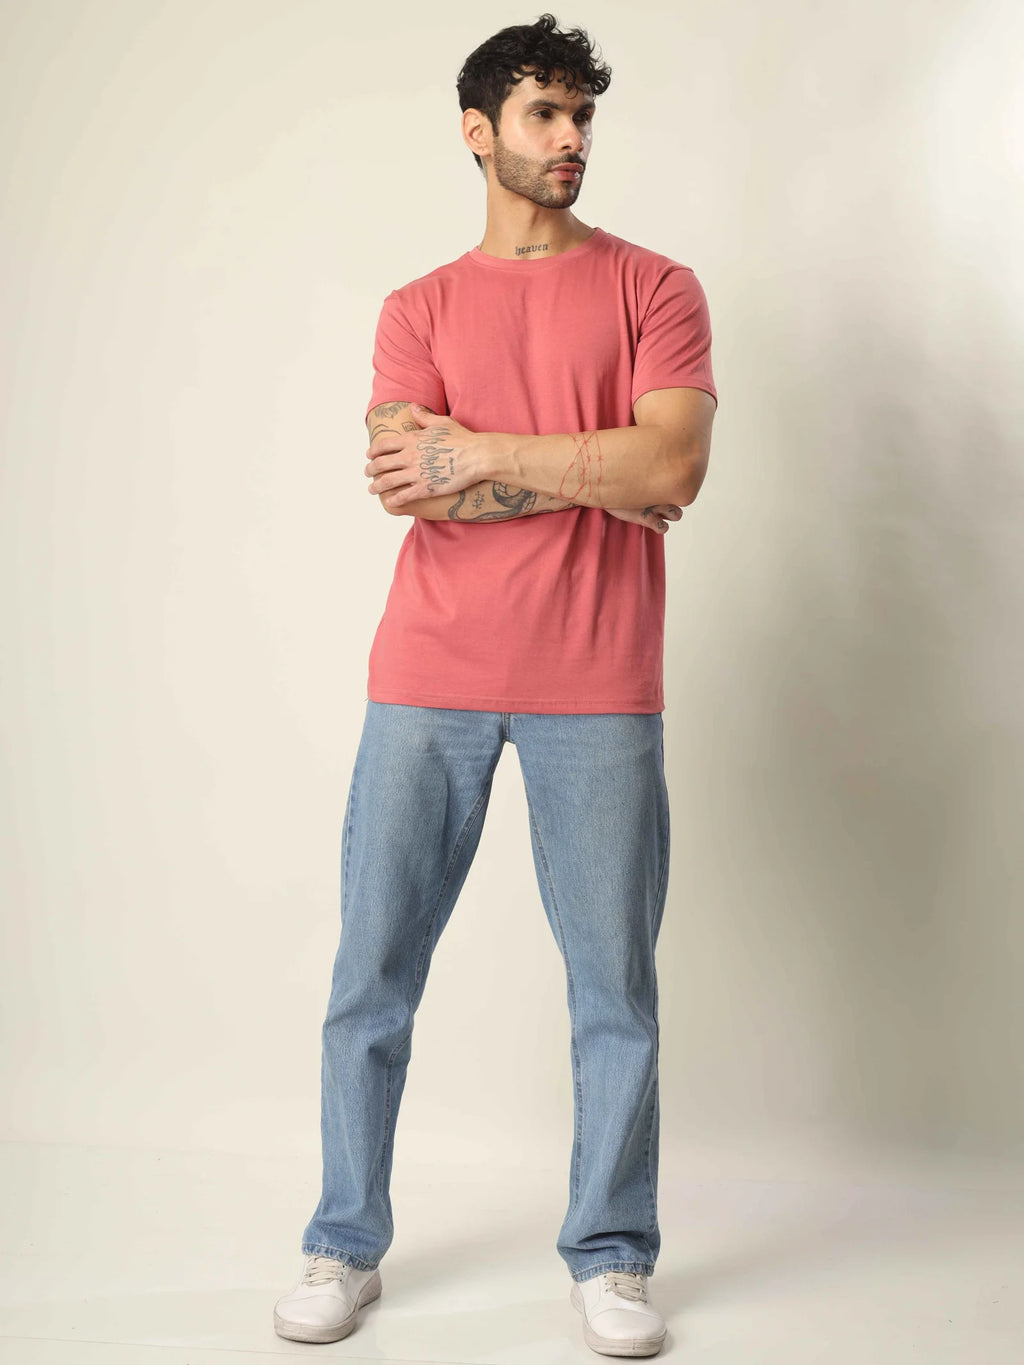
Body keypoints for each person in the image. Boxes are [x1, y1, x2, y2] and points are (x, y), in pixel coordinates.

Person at [273, 11, 717, 1358]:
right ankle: (344, 1238)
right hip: (428, 678)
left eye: (584, 114)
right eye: (544, 114)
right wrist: (590, 466)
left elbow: (671, 471)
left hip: (602, 684)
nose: (572, 138)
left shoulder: (659, 288)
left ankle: (613, 1250)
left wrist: (487, 456)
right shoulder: (418, 309)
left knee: (614, 991)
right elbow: (415, 481)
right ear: (479, 131)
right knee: (372, 976)